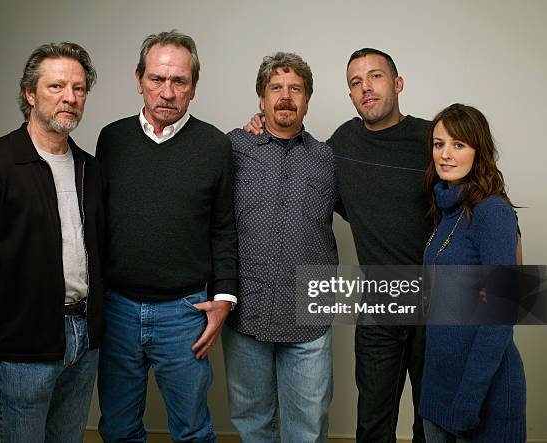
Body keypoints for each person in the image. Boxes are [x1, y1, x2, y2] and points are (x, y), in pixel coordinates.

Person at [245, 48, 430, 442]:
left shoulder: (433, 138)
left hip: (440, 299)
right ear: (349, 95)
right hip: (380, 301)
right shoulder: (340, 146)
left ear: (397, 83)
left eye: (376, 77)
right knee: (374, 421)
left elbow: (480, 193)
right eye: (355, 82)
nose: (366, 88)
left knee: (432, 421)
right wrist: (261, 126)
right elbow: (296, 164)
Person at [0, 42, 105, 443]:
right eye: (57, 87)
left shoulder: (91, 169)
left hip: (83, 340)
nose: (70, 97)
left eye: (79, 89)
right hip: (19, 349)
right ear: (30, 93)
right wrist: (2, 320)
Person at [96, 30, 237, 443]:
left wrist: (224, 299)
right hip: (118, 309)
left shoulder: (214, 145)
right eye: (157, 79)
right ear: (138, 79)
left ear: (193, 87)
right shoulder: (112, 139)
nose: (167, 91)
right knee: (118, 428)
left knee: (192, 430)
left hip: (185, 312)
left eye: (180, 81)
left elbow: (224, 226)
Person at [223, 52, 338, 443]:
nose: (285, 96)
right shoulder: (233, 147)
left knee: (307, 427)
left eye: (295, 89)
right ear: (261, 98)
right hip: (246, 310)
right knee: (252, 421)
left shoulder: (329, 158)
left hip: (309, 313)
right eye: (276, 88)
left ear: (308, 99)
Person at [420, 103, 526, 443]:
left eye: (458, 144)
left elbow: (500, 315)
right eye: (439, 144)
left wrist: (468, 401)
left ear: (478, 150)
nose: (445, 154)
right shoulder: (446, 210)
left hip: (482, 394)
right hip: (438, 391)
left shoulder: (492, 212)